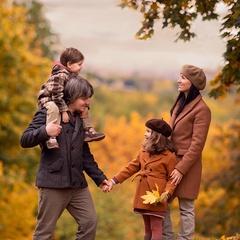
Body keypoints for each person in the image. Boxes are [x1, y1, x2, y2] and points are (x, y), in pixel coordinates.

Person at [20, 75, 109, 240]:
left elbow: (85, 154)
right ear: (73, 96)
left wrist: (100, 178)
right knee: (44, 233)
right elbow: (25, 139)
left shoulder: (80, 118)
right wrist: (45, 131)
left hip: (77, 185)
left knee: (90, 223)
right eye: (84, 98)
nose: (88, 103)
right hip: (53, 184)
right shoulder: (48, 112)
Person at [162, 64, 211, 240]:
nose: (178, 80)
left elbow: (197, 145)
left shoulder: (202, 110)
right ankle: (166, 237)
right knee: (162, 201)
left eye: (183, 77)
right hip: (169, 161)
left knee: (186, 207)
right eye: (180, 76)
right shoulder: (179, 103)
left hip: (187, 166)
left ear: (193, 83)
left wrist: (181, 169)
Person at [107, 118, 178, 240]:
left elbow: (172, 179)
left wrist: (167, 194)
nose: (145, 134)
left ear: (157, 136)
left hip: (157, 197)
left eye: (148, 131)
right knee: (147, 229)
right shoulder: (143, 152)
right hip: (143, 194)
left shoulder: (169, 157)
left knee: (156, 229)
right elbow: (130, 168)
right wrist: (114, 180)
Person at [37, 47, 105, 149]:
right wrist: (64, 111)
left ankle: (88, 130)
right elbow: (56, 95)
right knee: (54, 108)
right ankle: (51, 137)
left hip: (59, 99)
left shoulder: (70, 75)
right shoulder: (60, 75)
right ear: (69, 64)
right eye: (79, 64)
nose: (81, 67)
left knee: (85, 108)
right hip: (49, 99)